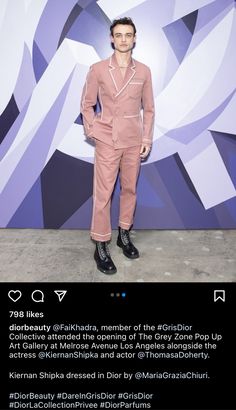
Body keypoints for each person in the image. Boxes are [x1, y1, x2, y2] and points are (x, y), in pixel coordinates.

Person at [80, 17, 155, 274]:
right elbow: (87, 104)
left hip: (134, 141)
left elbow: (150, 109)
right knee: (103, 194)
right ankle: (100, 243)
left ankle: (124, 234)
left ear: (135, 38)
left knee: (130, 190)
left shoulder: (143, 71)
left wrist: (147, 139)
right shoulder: (98, 69)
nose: (123, 39)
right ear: (112, 38)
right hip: (107, 140)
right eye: (119, 35)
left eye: (128, 35)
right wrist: (92, 130)